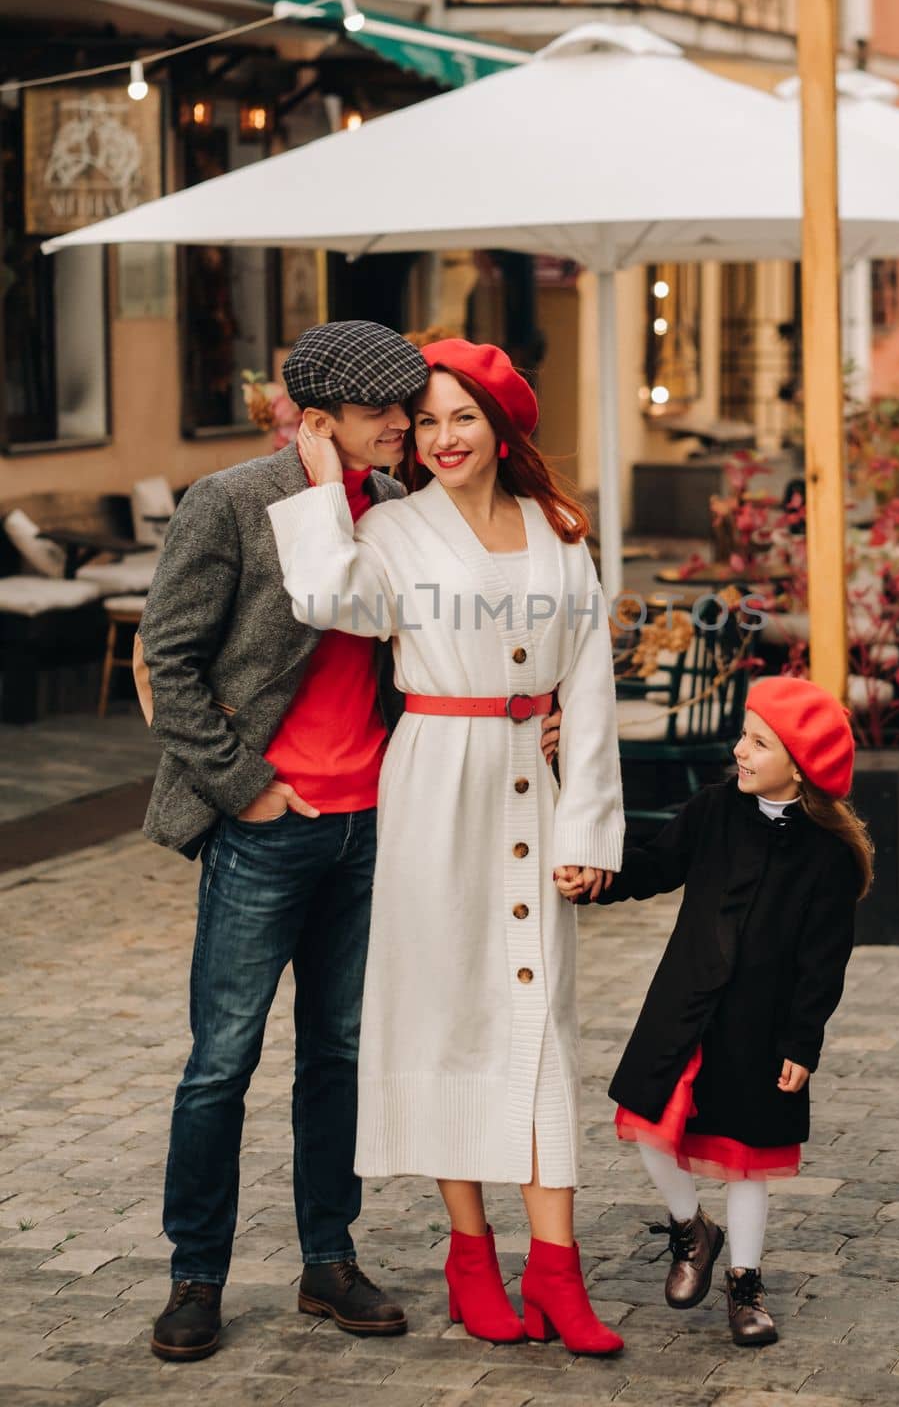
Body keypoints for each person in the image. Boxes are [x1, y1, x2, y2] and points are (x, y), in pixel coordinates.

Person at [139, 320, 558, 1363]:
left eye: (411, 410)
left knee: (337, 1054)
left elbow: (459, 631)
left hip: (379, 825)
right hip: (269, 830)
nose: (405, 427)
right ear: (318, 421)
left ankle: (328, 1260)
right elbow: (169, 662)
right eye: (383, 414)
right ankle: (196, 1274)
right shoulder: (231, 502)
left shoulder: (402, 513)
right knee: (221, 1062)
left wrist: (528, 709)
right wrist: (246, 791)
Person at [269, 337, 627, 1356]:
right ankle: (470, 1252)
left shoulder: (558, 533)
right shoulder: (389, 526)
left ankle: (556, 1270)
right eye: (422, 422)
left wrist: (588, 822)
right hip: (435, 780)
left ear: (500, 423)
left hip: (533, 775)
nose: (440, 437)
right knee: (449, 1013)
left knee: (542, 1020)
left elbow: (589, 683)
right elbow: (329, 598)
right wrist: (315, 484)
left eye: (459, 416)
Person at [558, 675, 872, 1348]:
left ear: (799, 763)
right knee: (645, 1125)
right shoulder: (713, 811)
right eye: (742, 735)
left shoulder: (828, 858)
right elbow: (653, 865)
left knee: (745, 1157)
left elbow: (824, 964)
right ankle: (689, 1229)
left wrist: (801, 1043)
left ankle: (745, 1284)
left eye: (758, 742)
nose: (739, 750)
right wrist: (595, 880)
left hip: (757, 1030)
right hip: (682, 1005)